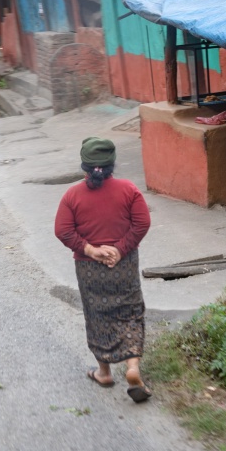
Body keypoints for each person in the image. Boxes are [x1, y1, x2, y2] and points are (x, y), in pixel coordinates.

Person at [54, 137, 153, 403]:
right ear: (112, 164)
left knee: (98, 315)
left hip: (89, 268)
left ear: (85, 166)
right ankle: (132, 368)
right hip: (124, 265)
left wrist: (90, 250)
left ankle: (104, 372)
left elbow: (62, 230)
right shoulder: (128, 189)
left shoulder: (72, 195)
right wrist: (121, 249)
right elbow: (142, 223)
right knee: (129, 312)